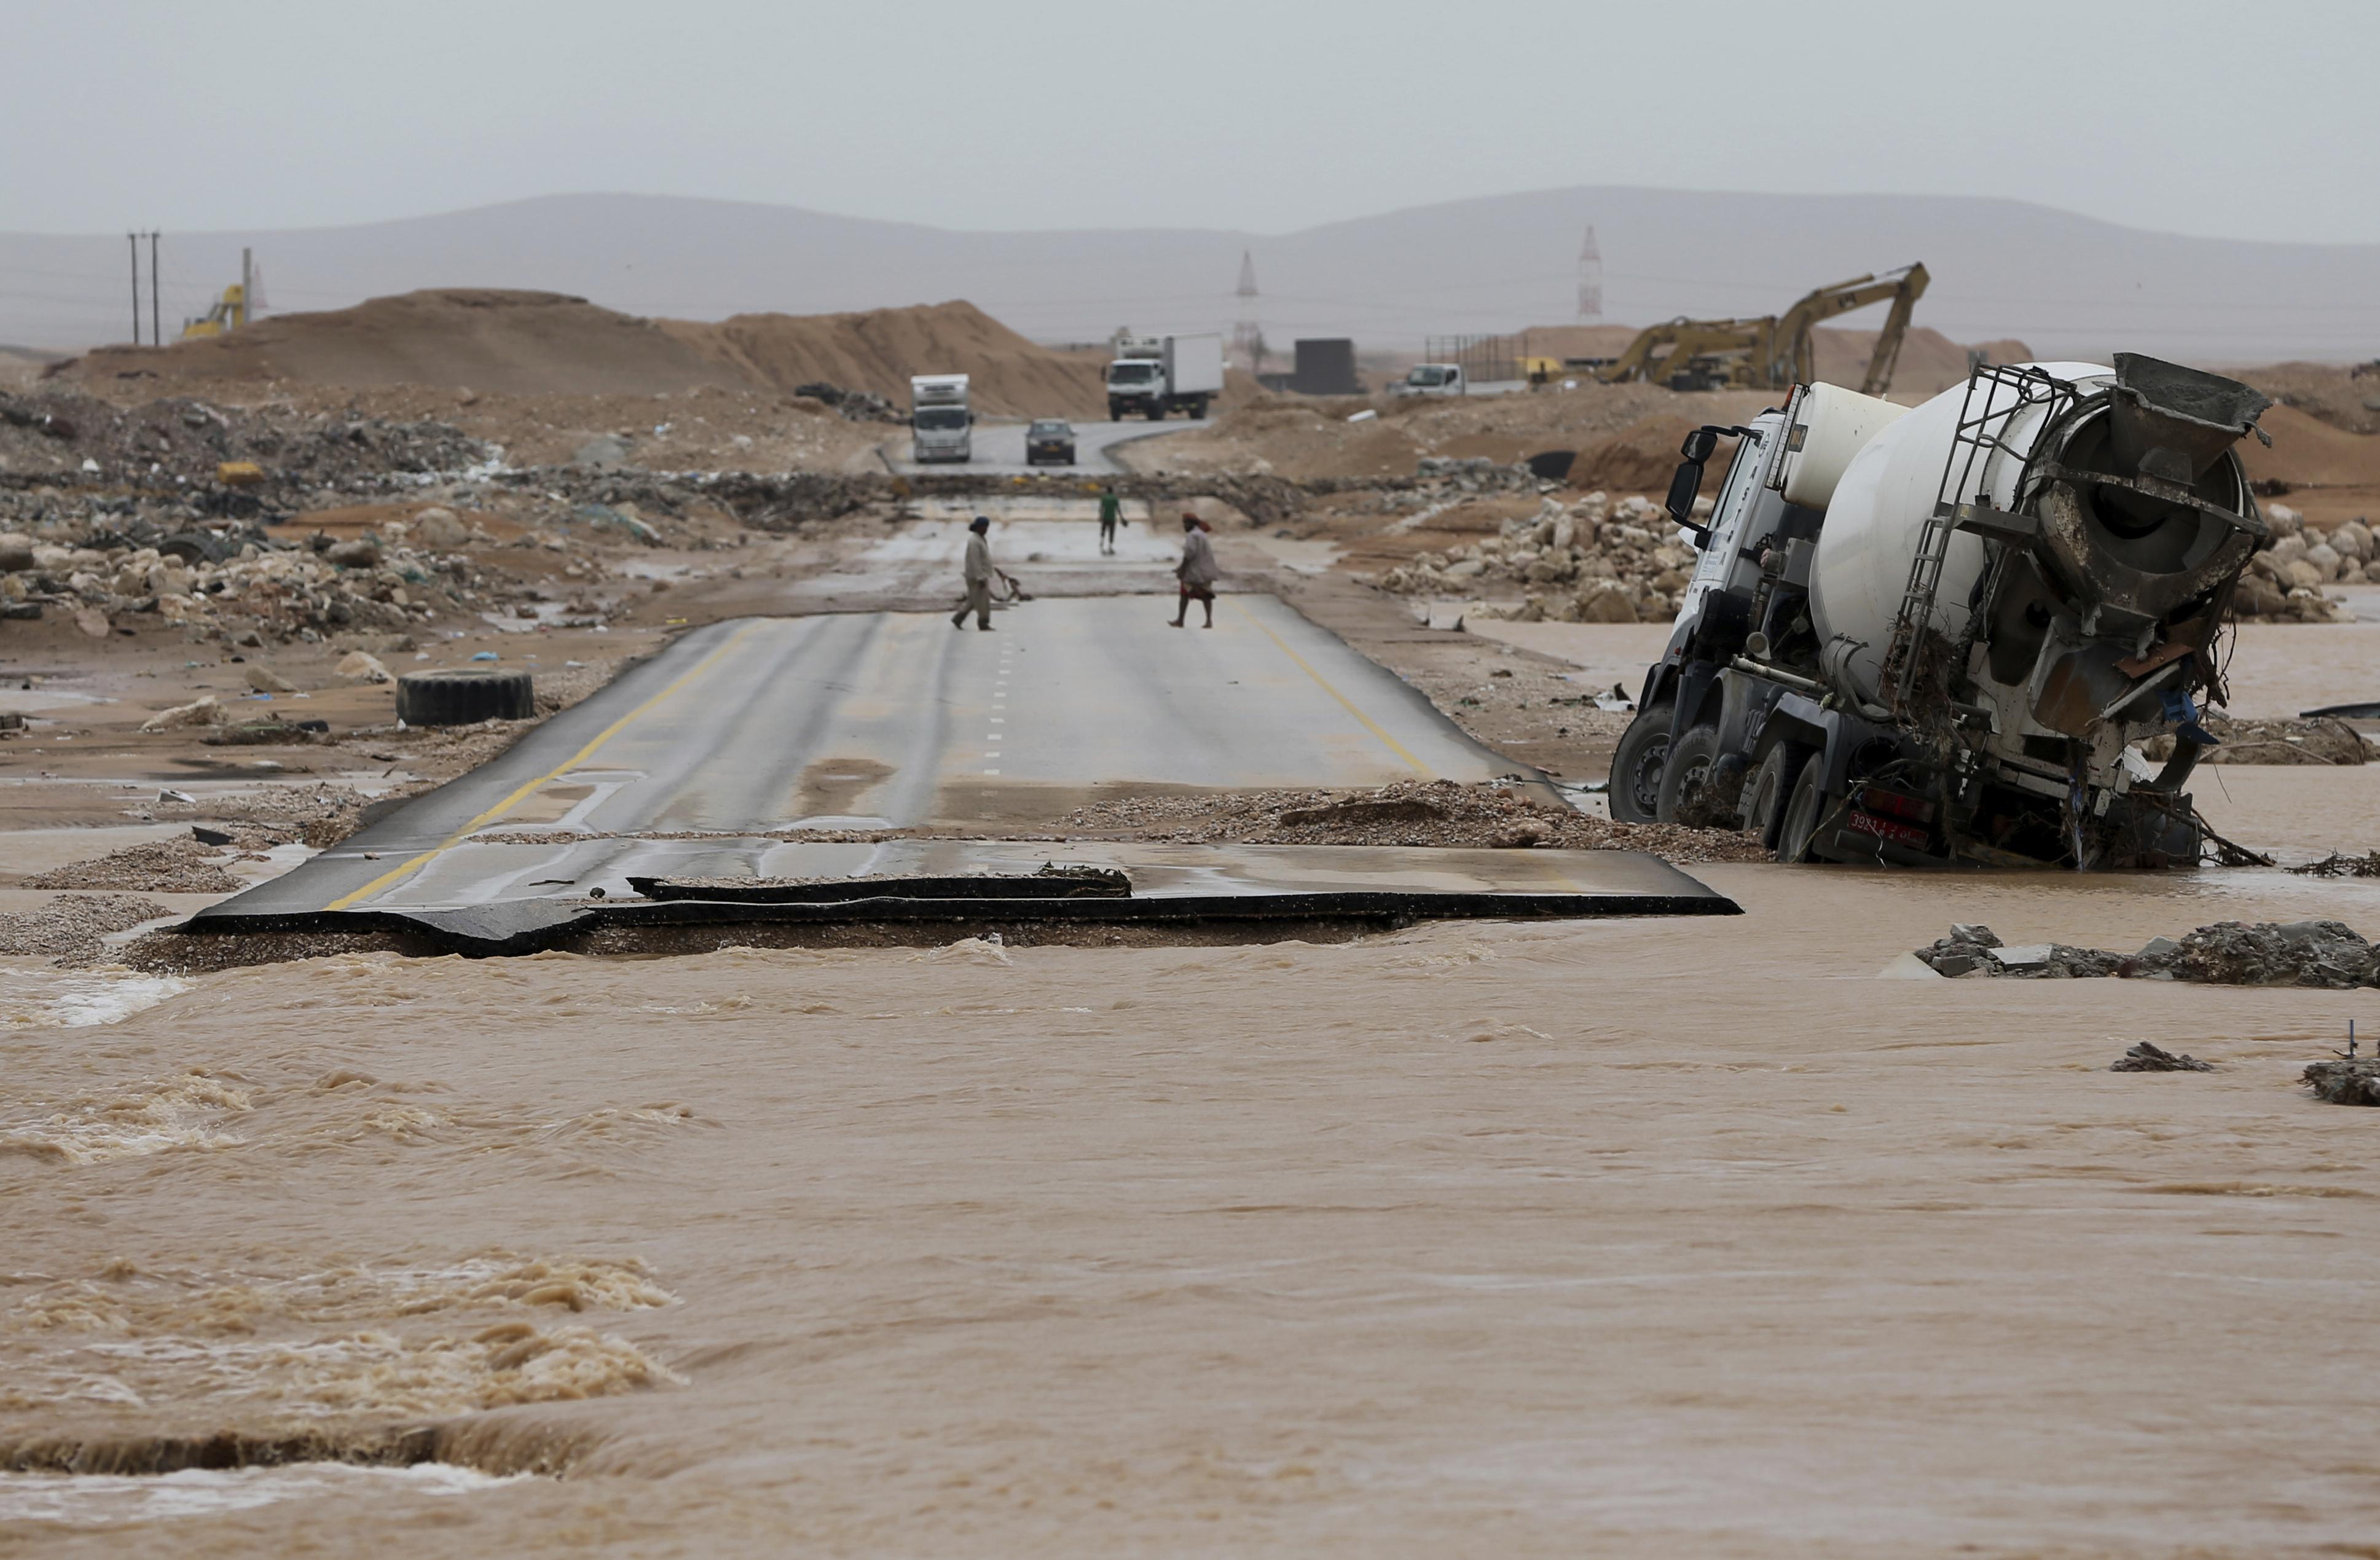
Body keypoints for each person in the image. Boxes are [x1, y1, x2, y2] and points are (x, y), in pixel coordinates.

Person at [952, 515, 1016, 631]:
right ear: (978, 527)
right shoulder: (974, 541)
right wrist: (980, 578)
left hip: (978, 575)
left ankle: (958, 618)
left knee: (973, 599)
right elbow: (975, 561)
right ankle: (983, 623)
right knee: (983, 601)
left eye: (987, 527)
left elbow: (983, 559)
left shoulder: (979, 539)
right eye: (984, 527)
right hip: (977, 577)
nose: (986, 529)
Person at [1169, 512, 1219, 629]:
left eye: (1185, 524)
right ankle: (1208, 621)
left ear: (1191, 524)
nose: (1184, 526)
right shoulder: (1201, 534)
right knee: (1206, 595)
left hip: (1195, 571)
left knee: (1184, 594)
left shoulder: (1192, 535)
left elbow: (1189, 554)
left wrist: (1182, 569)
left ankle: (1180, 620)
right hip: (1206, 570)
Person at [1096, 486, 1122, 555]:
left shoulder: (1104, 498)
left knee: (1103, 531)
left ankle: (1102, 543)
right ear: (1112, 491)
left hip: (1105, 517)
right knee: (1111, 532)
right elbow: (1118, 508)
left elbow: (1101, 508)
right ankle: (1110, 547)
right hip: (1112, 518)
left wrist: (1100, 516)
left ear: (1107, 491)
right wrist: (1121, 517)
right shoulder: (1115, 498)